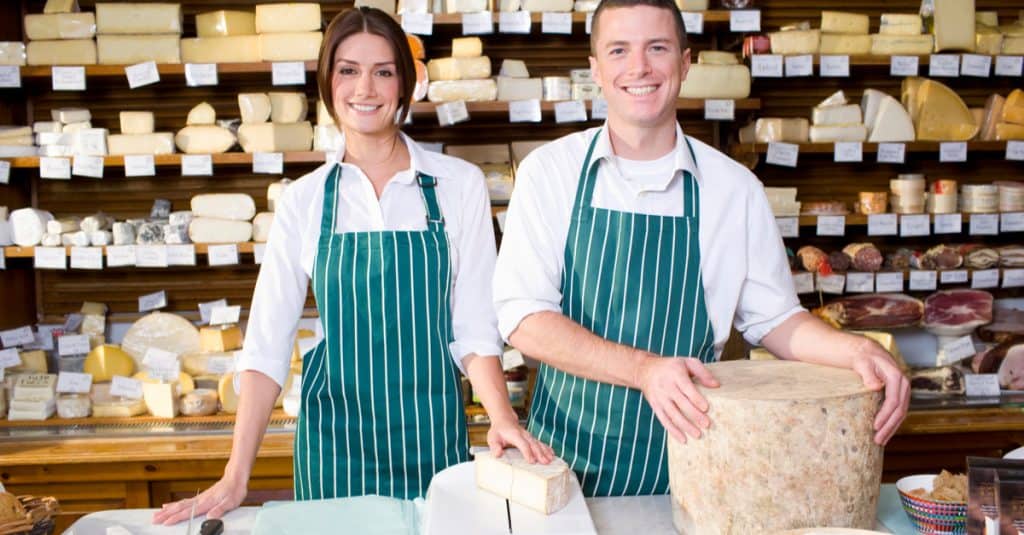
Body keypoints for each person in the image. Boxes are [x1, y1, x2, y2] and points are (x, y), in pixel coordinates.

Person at [492, 0, 910, 498]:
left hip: (697, 466)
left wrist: (857, 349)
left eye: (658, 48)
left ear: (686, 63)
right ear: (596, 70)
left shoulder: (734, 188)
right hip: (563, 469)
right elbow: (523, 318)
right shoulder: (550, 173)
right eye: (619, 50)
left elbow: (775, 320)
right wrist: (645, 371)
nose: (639, 67)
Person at [154, 7, 551, 524]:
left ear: (406, 85)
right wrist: (236, 474)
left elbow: (475, 328)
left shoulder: (459, 185)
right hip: (333, 448)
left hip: (429, 438)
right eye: (348, 70)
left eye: (384, 71)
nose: (365, 87)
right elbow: (267, 347)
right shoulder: (304, 200)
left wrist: (501, 417)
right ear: (328, 82)